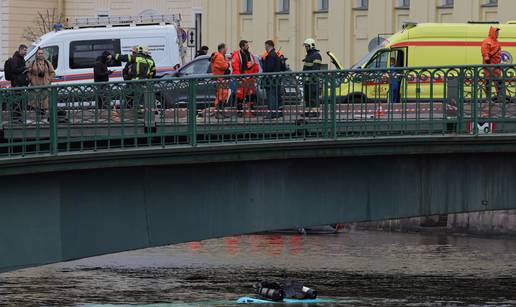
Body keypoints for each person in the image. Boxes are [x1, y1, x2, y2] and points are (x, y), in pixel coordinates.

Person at [231, 40, 259, 115]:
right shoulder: (237, 55)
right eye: (246, 45)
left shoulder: (250, 54)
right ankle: (239, 111)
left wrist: (255, 73)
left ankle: (251, 111)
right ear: (242, 46)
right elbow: (235, 67)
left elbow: (254, 65)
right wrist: (240, 77)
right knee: (240, 96)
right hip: (241, 78)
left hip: (249, 79)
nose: (248, 46)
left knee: (250, 95)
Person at [27, 47, 55, 123]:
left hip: (44, 86)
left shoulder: (47, 62)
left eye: (42, 53)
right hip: (35, 86)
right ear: (36, 54)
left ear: (43, 54)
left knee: (44, 103)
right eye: (39, 53)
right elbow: (28, 72)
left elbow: (52, 72)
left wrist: (48, 79)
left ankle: (44, 119)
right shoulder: (32, 63)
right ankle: (37, 119)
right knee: (36, 104)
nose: (40, 55)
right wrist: (30, 78)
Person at [481, 26, 503, 101]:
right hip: (489, 67)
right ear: (493, 32)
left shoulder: (497, 42)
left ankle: (500, 98)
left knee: (499, 83)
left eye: (498, 32)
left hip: (496, 67)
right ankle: (488, 99)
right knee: (488, 83)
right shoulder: (487, 41)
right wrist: (488, 61)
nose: (498, 33)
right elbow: (485, 52)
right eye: (496, 32)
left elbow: (498, 54)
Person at [302, 38, 322, 117]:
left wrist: (309, 77)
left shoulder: (316, 55)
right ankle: (308, 112)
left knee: (313, 97)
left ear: (311, 46)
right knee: (307, 97)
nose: (305, 48)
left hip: (313, 81)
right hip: (307, 81)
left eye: (307, 46)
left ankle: (315, 113)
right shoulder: (309, 55)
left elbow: (315, 69)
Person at [210, 43, 231, 118]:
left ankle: (221, 112)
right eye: (226, 48)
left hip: (221, 79)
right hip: (220, 79)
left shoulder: (220, 56)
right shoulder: (219, 57)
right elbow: (225, 66)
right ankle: (219, 113)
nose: (226, 49)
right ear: (222, 49)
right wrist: (227, 64)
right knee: (221, 96)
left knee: (222, 95)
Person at [262, 40, 282, 118]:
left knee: (271, 97)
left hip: (270, 80)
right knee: (275, 96)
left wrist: (264, 63)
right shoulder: (275, 54)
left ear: (268, 45)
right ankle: (275, 113)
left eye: (265, 46)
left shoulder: (270, 55)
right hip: (275, 79)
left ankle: (272, 114)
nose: (265, 48)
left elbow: (269, 68)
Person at [9, 44, 29, 122]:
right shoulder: (15, 58)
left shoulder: (21, 58)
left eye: (26, 50)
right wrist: (24, 68)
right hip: (16, 83)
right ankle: (15, 118)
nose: (25, 52)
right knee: (16, 101)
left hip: (20, 83)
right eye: (24, 50)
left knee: (20, 101)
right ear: (20, 50)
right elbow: (14, 70)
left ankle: (18, 117)